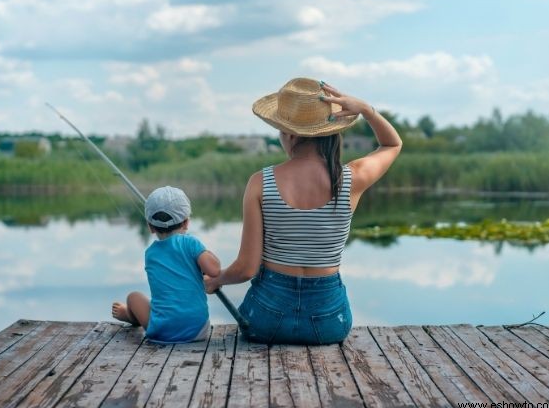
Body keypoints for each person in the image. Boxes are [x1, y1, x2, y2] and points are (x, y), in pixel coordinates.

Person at [204, 77, 402, 344]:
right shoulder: (352, 178)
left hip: (264, 320)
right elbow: (392, 144)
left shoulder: (261, 182)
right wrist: (366, 110)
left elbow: (246, 269)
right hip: (330, 323)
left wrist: (217, 280)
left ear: (290, 134)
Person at [112, 186, 221, 343]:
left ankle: (130, 315)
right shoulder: (191, 243)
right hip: (197, 330)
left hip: (161, 332)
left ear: (150, 226)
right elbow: (215, 270)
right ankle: (131, 315)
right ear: (186, 223)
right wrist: (205, 252)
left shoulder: (150, 253)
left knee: (133, 297)